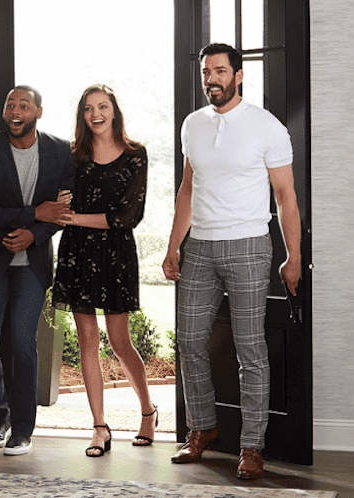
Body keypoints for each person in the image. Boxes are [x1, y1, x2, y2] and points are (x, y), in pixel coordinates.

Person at [162, 43, 301, 480]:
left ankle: (252, 446)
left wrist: (294, 256)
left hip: (248, 246)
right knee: (189, 341)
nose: (212, 79)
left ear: (238, 76)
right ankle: (202, 428)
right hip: (200, 248)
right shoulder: (192, 125)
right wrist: (174, 246)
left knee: (249, 348)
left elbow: (286, 197)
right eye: (207, 72)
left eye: (220, 71)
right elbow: (188, 187)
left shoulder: (267, 126)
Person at [0, 85, 75, 456]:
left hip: (33, 265)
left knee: (25, 346)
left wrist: (33, 234)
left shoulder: (59, 151)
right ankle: (0, 417)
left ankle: (23, 428)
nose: (15, 110)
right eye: (10, 104)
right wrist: (32, 213)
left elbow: (62, 211)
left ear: (38, 112)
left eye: (23, 105)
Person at [51, 84, 156, 457]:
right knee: (87, 340)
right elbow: (57, 201)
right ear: (82, 115)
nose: (95, 114)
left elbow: (128, 216)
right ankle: (99, 428)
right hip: (77, 253)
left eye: (102, 106)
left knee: (119, 341)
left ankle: (148, 412)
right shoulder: (71, 156)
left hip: (116, 255)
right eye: (88, 108)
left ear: (114, 111)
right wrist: (59, 202)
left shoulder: (135, 155)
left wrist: (75, 217)